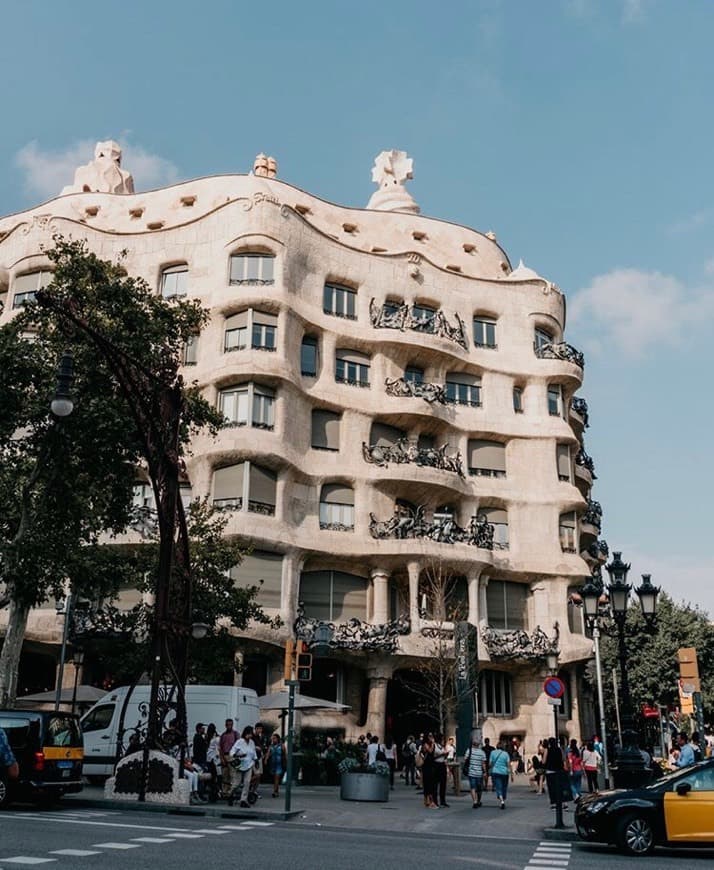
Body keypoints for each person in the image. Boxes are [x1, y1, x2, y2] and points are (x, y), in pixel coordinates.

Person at [228, 725, 257, 807]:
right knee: (236, 784)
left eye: (251, 734)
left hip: (249, 764)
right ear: (245, 733)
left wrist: (256, 760)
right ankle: (230, 794)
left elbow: (253, 752)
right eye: (249, 734)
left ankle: (243, 800)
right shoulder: (240, 741)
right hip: (240, 765)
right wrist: (235, 755)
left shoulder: (252, 742)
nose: (250, 736)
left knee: (247, 782)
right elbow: (233, 750)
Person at [544, 737, 568, 809]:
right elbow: (563, 759)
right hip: (559, 770)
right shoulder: (559, 749)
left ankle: (554, 804)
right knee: (561, 787)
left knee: (552, 788)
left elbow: (543, 761)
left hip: (550, 770)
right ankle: (565, 803)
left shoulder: (547, 750)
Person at [465, 736, 487, 808]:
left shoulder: (469, 751)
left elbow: (466, 760)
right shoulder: (482, 752)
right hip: (479, 773)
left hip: (471, 772)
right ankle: (478, 801)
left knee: (472, 787)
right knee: (479, 788)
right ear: (479, 744)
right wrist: (485, 772)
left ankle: (474, 801)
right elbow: (483, 763)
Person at [219, 718, 239, 798]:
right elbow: (220, 748)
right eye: (228, 725)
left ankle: (231, 792)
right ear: (225, 725)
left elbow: (238, 746)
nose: (229, 726)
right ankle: (225, 792)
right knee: (225, 775)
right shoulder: (223, 735)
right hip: (225, 755)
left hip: (232, 756)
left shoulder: (235, 734)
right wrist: (222, 758)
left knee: (233, 775)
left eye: (231, 725)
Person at [489, 740, 511, 809]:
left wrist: (492, 766)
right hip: (504, 773)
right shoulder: (506, 754)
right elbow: (508, 764)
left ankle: (501, 801)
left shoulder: (492, 752)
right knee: (504, 787)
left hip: (495, 772)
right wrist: (511, 773)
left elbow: (490, 763)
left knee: (498, 787)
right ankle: (503, 799)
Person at [420, 733, 438, 808]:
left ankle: (427, 800)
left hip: (431, 765)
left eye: (432, 736)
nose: (431, 738)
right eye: (430, 736)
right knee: (427, 782)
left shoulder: (431, 744)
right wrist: (433, 743)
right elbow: (430, 751)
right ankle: (428, 800)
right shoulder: (425, 744)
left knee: (430, 782)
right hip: (427, 766)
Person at [267, 733, 285, 798]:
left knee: (277, 777)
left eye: (274, 738)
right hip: (272, 764)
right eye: (272, 738)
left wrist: (285, 762)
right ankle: (276, 791)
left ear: (278, 739)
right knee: (275, 778)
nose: (273, 740)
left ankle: (274, 791)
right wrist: (266, 760)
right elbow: (268, 754)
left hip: (279, 764)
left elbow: (284, 754)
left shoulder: (282, 746)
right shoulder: (271, 746)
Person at [205, 723, 220, 802]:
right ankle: (214, 793)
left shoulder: (207, 737)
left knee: (211, 778)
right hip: (214, 759)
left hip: (208, 759)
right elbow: (218, 749)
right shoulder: (216, 737)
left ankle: (212, 793)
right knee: (214, 777)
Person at [434, 733, 449, 807]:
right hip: (436, 765)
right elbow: (433, 756)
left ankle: (443, 800)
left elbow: (444, 755)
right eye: (442, 739)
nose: (443, 740)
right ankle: (435, 800)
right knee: (436, 783)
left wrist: (446, 755)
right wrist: (442, 754)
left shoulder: (442, 746)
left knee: (443, 783)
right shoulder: (434, 746)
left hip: (442, 764)